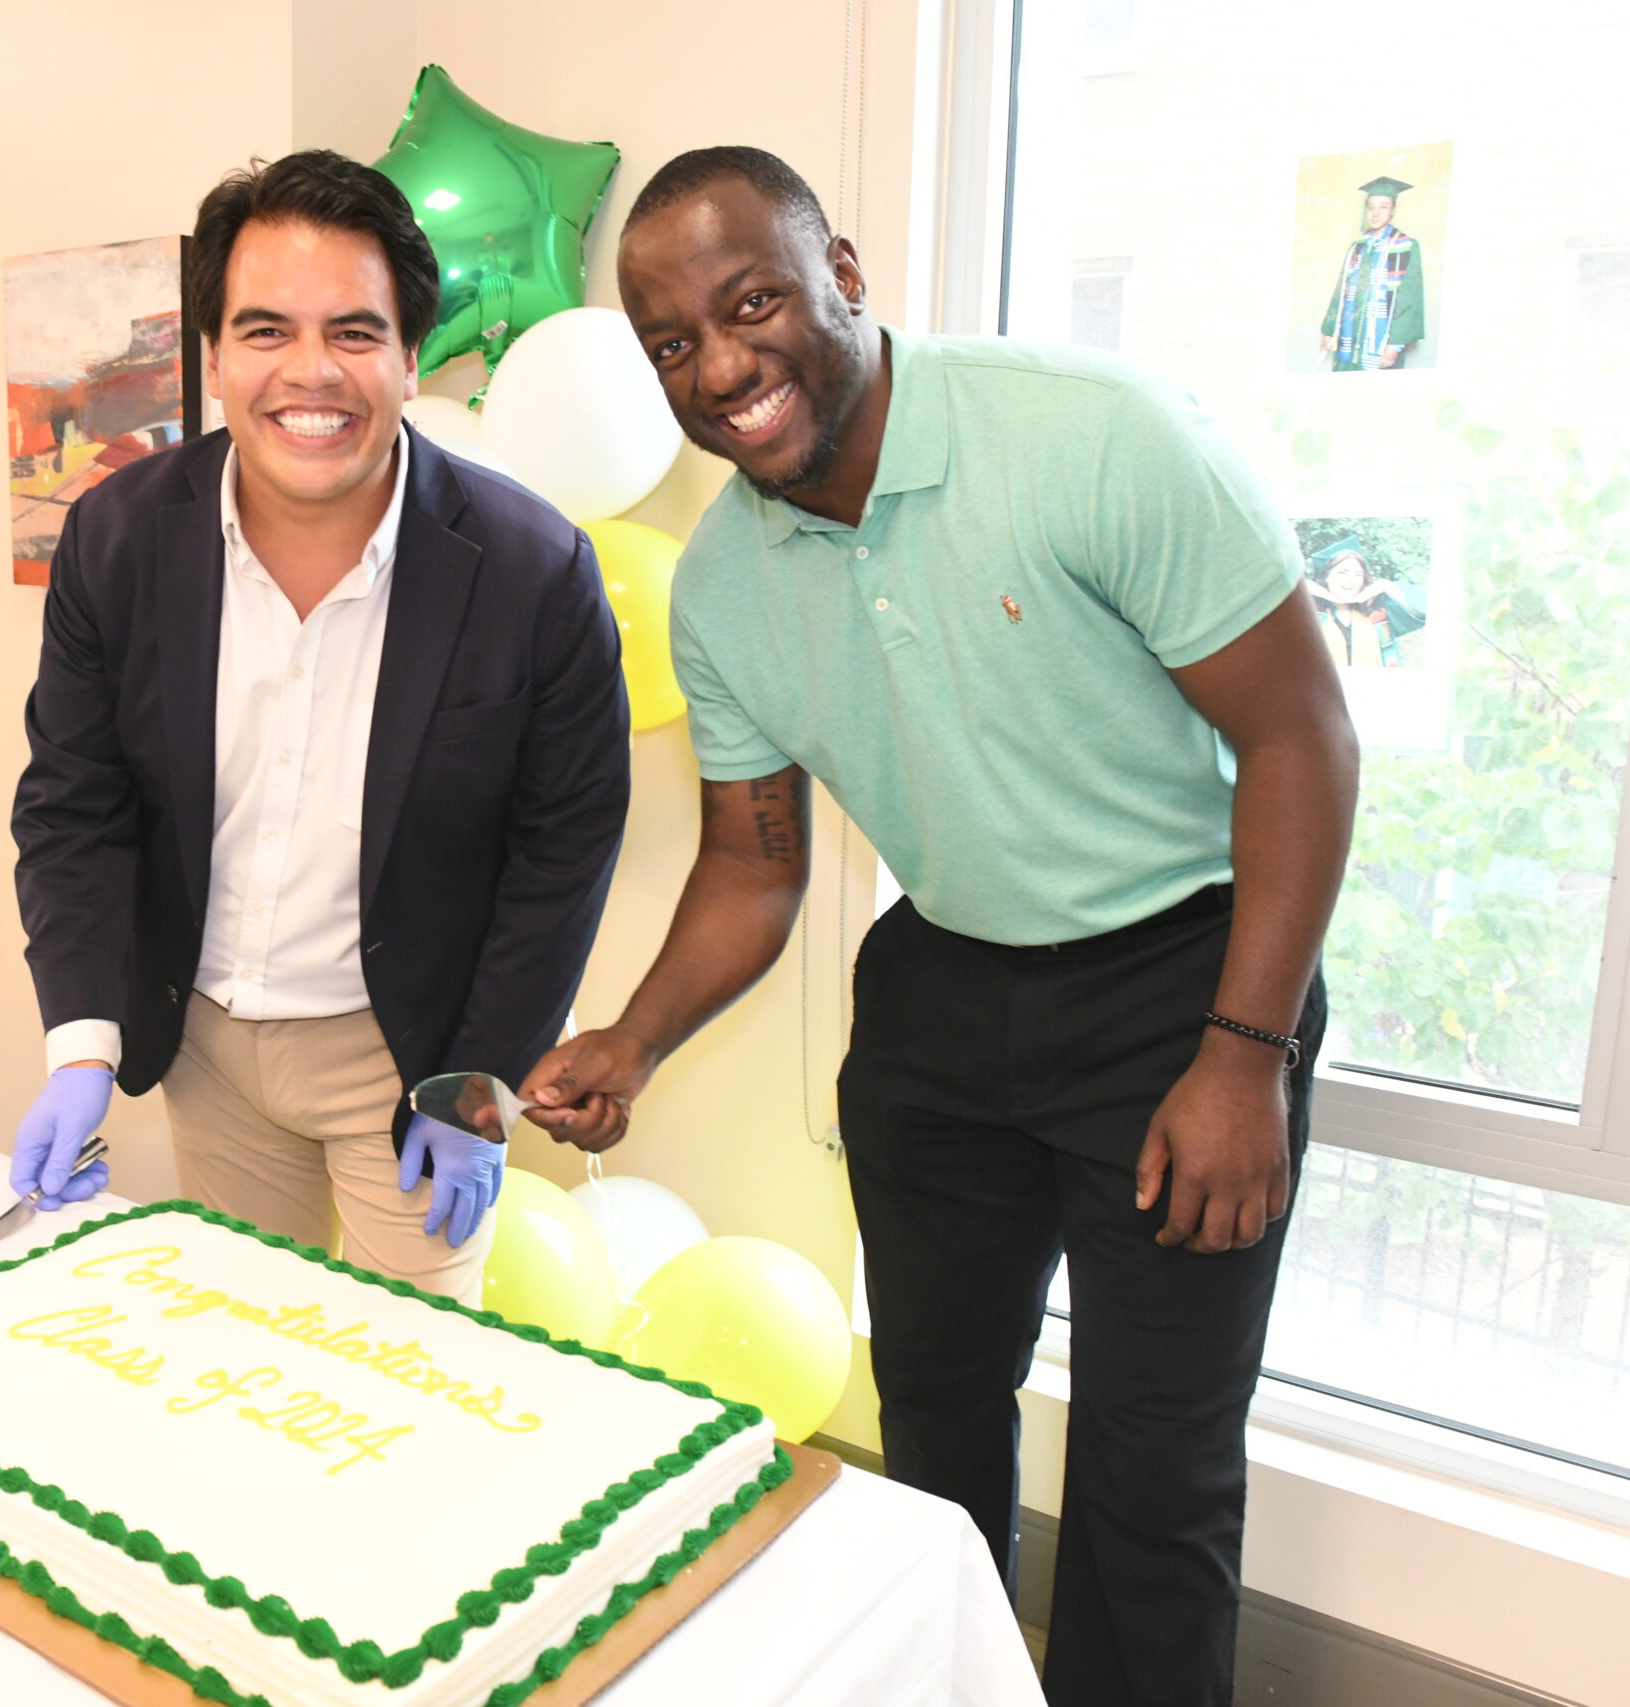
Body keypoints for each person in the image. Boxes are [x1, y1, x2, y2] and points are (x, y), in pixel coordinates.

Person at [522, 147, 1358, 1707]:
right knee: (935, 1423)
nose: (718, 367)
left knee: (1150, 1465)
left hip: (1188, 979)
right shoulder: (721, 587)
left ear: (841, 269)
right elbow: (753, 865)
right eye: (671, 343)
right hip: (946, 990)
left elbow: (1306, 741)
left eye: (749, 300)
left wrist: (1247, 1054)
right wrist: (631, 1037)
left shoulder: (1093, 437)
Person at [8, 150, 630, 1302]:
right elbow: (73, 806)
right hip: (206, 1042)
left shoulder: (534, 572)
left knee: (418, 1387)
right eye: (264, 331)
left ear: (409, 354)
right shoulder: (118, 541)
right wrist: (82, 1040)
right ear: (211, 356)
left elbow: (564, 853)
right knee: (245, 1359)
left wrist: (475, 1080)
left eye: (352, 332)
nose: (309, 373)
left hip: (408, 1053)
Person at [1319, 176, 1427, 371]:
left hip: (1381, 342)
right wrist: (1329, 331)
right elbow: (1340, 292)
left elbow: (1410, 301)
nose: (1376, 213)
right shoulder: (1356, 248)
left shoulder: (1405, 245)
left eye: (1384, 207)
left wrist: (1394, 346)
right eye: (1371, 207)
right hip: (1347, 339)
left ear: (1393, 210)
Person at [1306, 535, 1428, 667]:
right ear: (1326, 576)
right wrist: (1315, 591)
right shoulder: (1310, 612)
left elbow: (1424, 611)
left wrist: (1385, 585)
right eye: (1343, 572)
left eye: (1358, 574)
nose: (1350, 579)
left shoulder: (1378, 613)